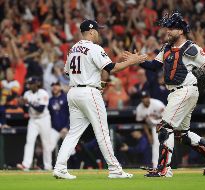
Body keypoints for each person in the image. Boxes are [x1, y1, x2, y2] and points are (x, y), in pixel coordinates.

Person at [124, 12, 205, 177]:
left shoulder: (190, 47)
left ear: (181, 31)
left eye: (171, 28)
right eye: (167, 29)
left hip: (185, 90)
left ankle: (164, 169)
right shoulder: (166, 48)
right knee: (182, 135)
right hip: (176, 93)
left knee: (165, 128)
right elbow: (154, 66)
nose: (167, 31)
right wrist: (137, 61)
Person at [53, 19, 147, 179]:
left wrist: (97, 80)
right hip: (89, 93)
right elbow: (112, 68)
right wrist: (132, 61)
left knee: (73, 133)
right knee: (102, 131)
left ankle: (60, 167)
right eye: (97, 30)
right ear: (91, 31)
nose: (98, 33)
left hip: (74, 92)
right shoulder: (94, 47)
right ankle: (115, 170)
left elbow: (68, 73)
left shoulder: (73, 49)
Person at [17, 76, 52, 170]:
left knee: (46, 143)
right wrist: (21, 104)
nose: (30, 85)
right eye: (29, 83)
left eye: (32, 83)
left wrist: (29, 103)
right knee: (29, 141)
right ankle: (26, 164)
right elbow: (25, 109)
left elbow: (41, 109)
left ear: (37, 84)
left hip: (44, 119)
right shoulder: (27, 93)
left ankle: (48, 166)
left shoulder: (43, 93)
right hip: (33, 120)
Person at [136, 91, 165, 168]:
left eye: (146, 97)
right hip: (153, 127)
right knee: (155, 144)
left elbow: (167, 117)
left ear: (149, 97)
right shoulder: (139, 108)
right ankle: (155, 165)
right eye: (143, 98)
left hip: (164, 124)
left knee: (167, 144)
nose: (145, 99)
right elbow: (143, 123)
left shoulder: (158, 104)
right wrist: (149, 135)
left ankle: (165, 164)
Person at [48, 82, 69, 152]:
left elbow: (72, 115)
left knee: (71, 150)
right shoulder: (50, 101)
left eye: (56, 85)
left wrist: (67, 127)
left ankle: (77, 162)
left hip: (66, 128)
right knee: (48, 148)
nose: (54, 87)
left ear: (60, 87)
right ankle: (47, 163)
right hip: (54, 129)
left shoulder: (66, 98)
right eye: (53, 85)